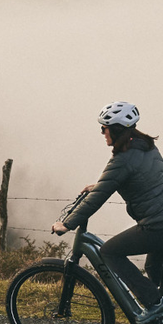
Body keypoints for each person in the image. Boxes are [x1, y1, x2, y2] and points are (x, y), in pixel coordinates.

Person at [52, 100, 163, 309]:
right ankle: (158, 320)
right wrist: (100, 184)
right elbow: (140, 176)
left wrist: (67, 224)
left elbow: (98, 198)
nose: (102, 133)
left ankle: (154, 305)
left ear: (115, 129)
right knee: (153, 266)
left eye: (104, 129)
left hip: (156, 225)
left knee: (110, 252)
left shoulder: (122, 160)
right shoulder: (147, 147)